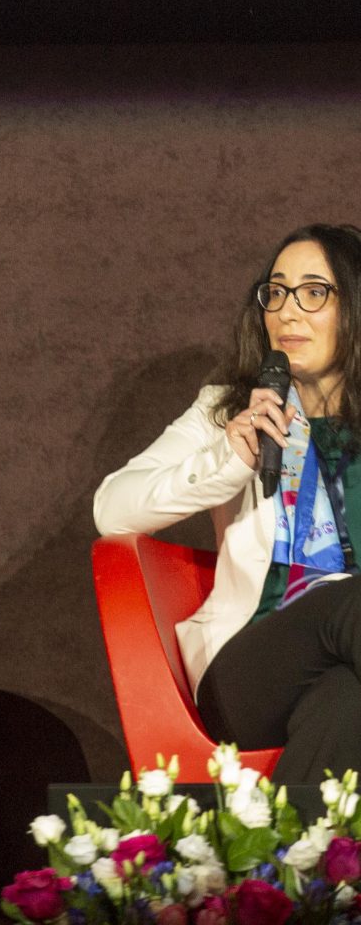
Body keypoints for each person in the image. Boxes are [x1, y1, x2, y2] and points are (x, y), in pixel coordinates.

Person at [94, 223, 361, 784]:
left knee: (346, 700)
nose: (288, 311)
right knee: (346, 600)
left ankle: (289, 845)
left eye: (314, 292)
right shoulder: (226, 410)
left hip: (341, 664)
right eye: (276, 292)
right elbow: (112, 508)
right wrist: (229, 462)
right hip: (248, 672)